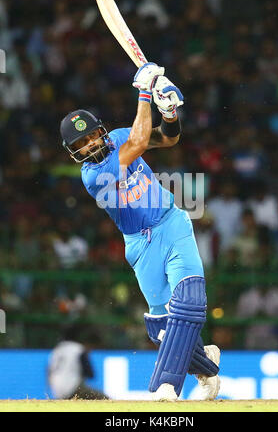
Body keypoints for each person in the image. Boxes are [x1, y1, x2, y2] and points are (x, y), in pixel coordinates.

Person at [59, 63, 220, 401]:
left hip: (171, 223)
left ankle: (165, 387)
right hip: (139, 244)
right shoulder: (92, 176)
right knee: (162, 330)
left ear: (101, 131)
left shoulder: (119, 136)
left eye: (91, 136)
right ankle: (208, 369)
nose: (90, 145)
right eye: (82, 143)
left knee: (189, 304)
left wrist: (170, 112)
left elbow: (166, 138)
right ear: (75, 152)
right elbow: (138, 140)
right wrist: (145, 92)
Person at [48, 326, 107, 400]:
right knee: (105, 399)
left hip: (56, 390)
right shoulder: (78, 349)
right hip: (72, 388)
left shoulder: (57, 349)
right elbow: (90, 373)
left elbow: (49, 371)